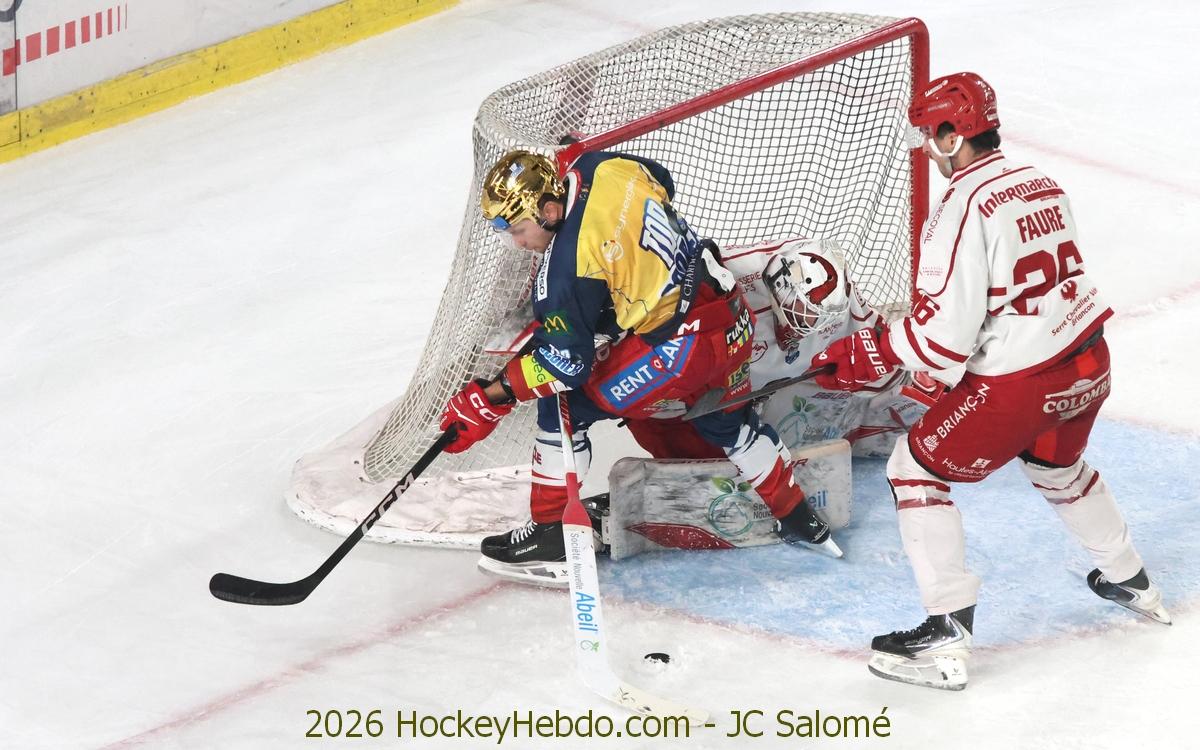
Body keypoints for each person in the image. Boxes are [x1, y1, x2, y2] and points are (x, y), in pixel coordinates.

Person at [812, 72, 1170, 691]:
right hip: (1089, 361)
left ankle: (945, 636)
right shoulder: (1040, 181)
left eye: (931, 135)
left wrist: (873, 349)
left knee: (913, 470)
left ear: (954, 135)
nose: (927, 149)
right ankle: (1130, 579)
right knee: (1057, 467)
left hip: (1023, 381)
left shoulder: (961, 208)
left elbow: (942, 338)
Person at [439, 149, 839, 586]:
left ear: (548, 211)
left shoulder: (563, 270)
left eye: (518, 230)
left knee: (564, 404)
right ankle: (800, 519)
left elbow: (566, 368)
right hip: (730, 318)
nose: (518, 243)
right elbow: (662, 181)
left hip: (681, 352)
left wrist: (490, 398)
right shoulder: (600, 166)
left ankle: (552, 534)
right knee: (730, 424)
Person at [622, 237, 949, 463]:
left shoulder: (836, 295)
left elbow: (880, 345)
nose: (799, 330)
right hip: (698, 390)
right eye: (797, 318)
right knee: (674, 430)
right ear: (779, 289)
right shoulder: (726, 283)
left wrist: (897, 369)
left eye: (811, 322)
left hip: (754, 395)